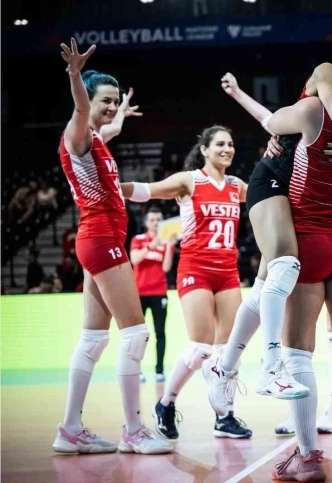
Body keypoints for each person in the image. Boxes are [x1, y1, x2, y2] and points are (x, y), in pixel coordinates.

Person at [205, 17, 332, 410]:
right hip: (276, 176)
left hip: (307, 190)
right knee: (284, 266)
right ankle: (270, 367)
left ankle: (224, 366)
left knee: (265, 286)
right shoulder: (331, 75)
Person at [53, 38, 171, 455]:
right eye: (105, 100)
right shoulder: (77, 133)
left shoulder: (97, 138)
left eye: (115, 100)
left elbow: (110, 127)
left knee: (93, 339)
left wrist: (120, 113)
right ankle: (134, 431)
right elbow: (82, 110)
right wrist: (74, 75)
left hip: (97, 240)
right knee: (136, 334)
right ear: (86, 100)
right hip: (102, 239)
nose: (110, 106)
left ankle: (70, 429)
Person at [121, 126, 252, 440]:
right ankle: (166, 403)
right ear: (204, 149)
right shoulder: (189, 181)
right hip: (196, 270)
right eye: (220, 144)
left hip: (228, 272)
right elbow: (147, 190)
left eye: (231, 144)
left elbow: (269, 197)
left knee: (229, 351)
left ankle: (225, 417)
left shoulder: (236, 186)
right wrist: (110, 184)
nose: (227, 149)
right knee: (201, 349)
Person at [130, 207, 176, 383]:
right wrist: (150, 246)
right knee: (138, 334)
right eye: (152, 220)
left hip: (159, 293)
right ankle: (137, 370)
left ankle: (159, 371)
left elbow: (166, 267)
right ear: (146, 223)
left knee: (160, 333)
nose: (156, 223)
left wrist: (169, 247)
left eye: (159, 220)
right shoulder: (138, 239)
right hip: (139, 293)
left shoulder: (166, 242)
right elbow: (134, 259)